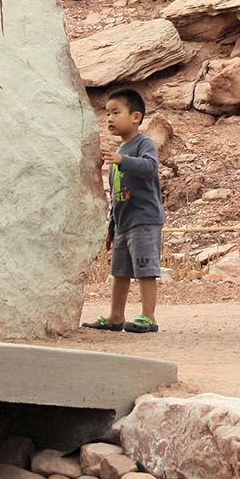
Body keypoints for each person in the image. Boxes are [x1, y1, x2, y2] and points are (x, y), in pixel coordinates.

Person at [84, 88, 163, 333]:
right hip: (123, 222)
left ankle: (148, 317)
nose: (109, 118)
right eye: (107, 113)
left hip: (144, 219)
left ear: (136, 117)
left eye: (116, 112)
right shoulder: (119, 151)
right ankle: (116, 315)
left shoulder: (144, 144)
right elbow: (116, 194)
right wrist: (111, 227)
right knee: (119, 271)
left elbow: (150, 167)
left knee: (145, 269)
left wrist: (123, 162)